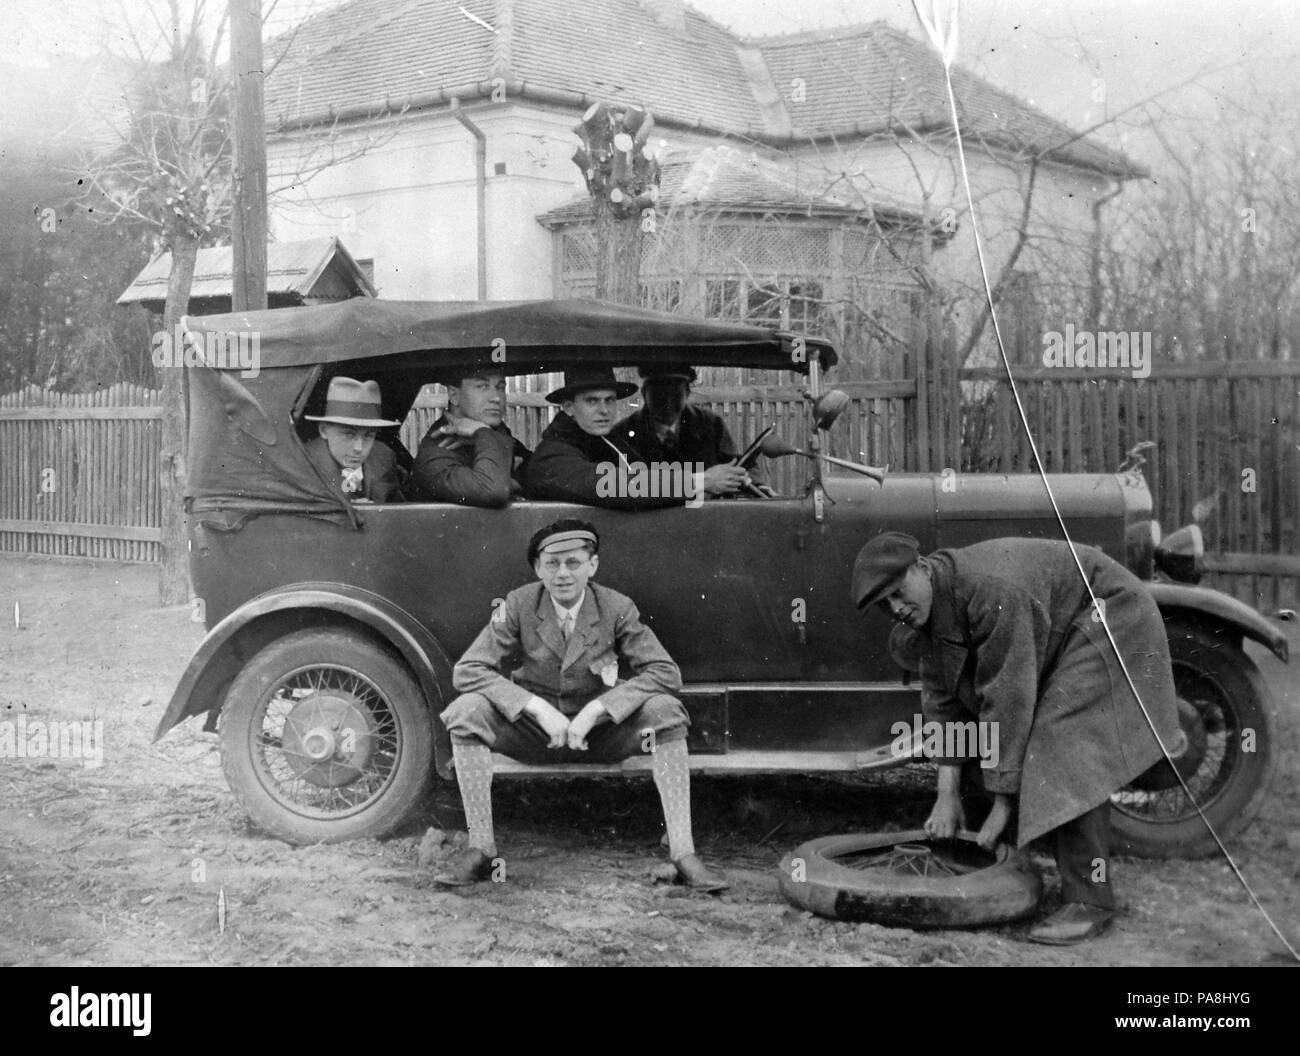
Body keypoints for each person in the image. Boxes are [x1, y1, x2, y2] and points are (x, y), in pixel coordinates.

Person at [852, 532, 1185, 945]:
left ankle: (1090, 899)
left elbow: (1008, 699)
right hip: (1060, 629)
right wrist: (946, 793)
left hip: (1110, 614)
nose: (897, 608)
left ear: (921, 568)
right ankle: (996, 855)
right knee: (980, 726)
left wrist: (1004, 804)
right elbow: (943, 705)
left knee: (1062, 737)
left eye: (899, 592)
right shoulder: (932, 610)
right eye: (885, 605)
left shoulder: (991, 589)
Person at [435, 518, 729, 892]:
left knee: (665, 712)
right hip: (534, 734)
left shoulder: (616, 606)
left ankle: (683, 853)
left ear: (592, 566)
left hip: (601, 734)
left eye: (573, 563)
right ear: (538, 568)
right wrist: (536, 708)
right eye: (552, 564)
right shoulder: (518, 604)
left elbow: (665, 672)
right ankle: (481, 849)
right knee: (466, 711)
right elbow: (469, 669)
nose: (562, 574)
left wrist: (598, 710)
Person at [525, 366, 749, 508]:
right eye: (592, 401)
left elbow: (646, 474)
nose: (604, 410)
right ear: (568, 407)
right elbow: (614, 484)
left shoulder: (607, 441)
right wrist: (703, 481)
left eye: (610, 400)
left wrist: (736, 483)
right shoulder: (553, 454)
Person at [612, 363, 771, 494]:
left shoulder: (710, 424)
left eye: (675, 395)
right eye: (659, 395)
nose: (667, 403)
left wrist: (757, 487)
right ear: (644, 393)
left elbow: (737, 465)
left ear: (687, 394)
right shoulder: (622, 434)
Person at [406, 367, 531, 506]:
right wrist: (483, 433)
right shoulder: (437, 451)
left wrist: (484, 434)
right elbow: (492, 491)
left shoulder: (494, 434)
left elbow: (539, 475)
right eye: (483, 387)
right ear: (454, 395)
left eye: (500, 388)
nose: (496, 398)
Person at [303, 376, 404, 503]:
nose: (359, 448)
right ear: (324, 430)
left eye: (368, 436)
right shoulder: (303, 464)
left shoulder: (384, 458)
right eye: (349, 435)